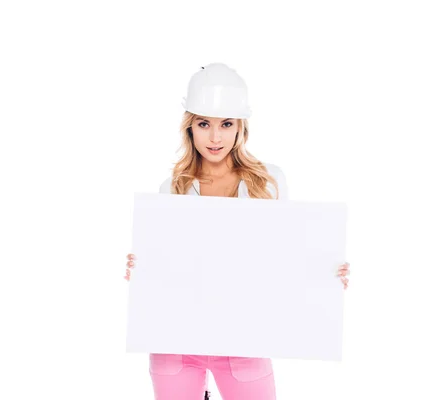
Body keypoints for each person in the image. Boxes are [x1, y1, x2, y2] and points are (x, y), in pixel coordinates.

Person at [124, 63, 351, 400]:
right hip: (175, 341)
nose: (215, 137)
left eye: (226, 124)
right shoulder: (172, 188)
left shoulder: (267, 183)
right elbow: (170, 266)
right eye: (204, 124)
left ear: (239, 127)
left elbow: (286, 254)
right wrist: (141, 269)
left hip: (244, 340)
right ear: (190, 127)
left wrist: (324, 273)